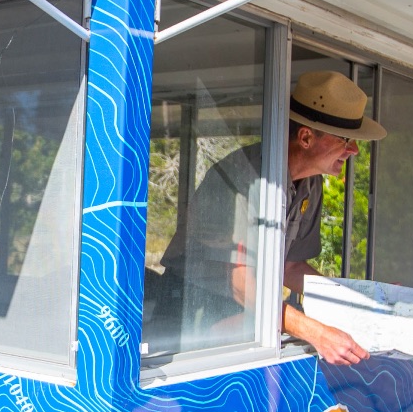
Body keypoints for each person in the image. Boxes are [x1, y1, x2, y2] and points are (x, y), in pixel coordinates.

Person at [152, 71, 378, 365]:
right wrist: (316, 332)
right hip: (192, 309)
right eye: (346, 140)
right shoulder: (240, 179)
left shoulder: (311, 183)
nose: (354, 150)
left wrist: (353, 302)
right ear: (306, 137)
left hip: (247, 312)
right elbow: (240, 283)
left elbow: (290, 265)